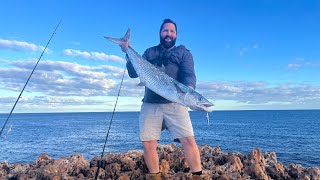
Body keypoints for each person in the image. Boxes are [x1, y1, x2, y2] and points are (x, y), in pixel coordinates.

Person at [120, 19, 208, 180]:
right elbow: (134, 73)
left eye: (172, 31)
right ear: (160, 33)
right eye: (165, 31)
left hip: (176, 103)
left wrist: (190, 91)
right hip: (150, 103)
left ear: (176, 35)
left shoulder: (184, 53)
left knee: (188, 140)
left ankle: (198, 176)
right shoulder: (149, 52)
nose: (168, 34)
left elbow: (189, 75)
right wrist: (127, 52)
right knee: (148, 142)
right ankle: (155, 177)